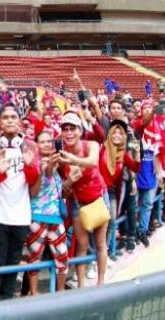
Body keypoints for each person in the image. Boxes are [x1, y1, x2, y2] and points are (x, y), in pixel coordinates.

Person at [0, 103, 40, 301]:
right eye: (5, 117)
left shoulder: (30, 147)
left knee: (14, 259)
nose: (9, 120)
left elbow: (34, 183)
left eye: (13, 117)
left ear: (19, 122)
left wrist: (28, 165)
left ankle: (8, 297)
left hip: (21, 215)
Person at [57, 112, 108, 287]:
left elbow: (93, 162)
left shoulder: (91, 144)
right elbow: (62, 192)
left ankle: (101, 283)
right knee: (82, 246)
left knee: (101, 243)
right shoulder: (60, 157)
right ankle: (81, 287)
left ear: (80, 130)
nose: (69, 132)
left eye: (73, 128)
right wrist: (70, 181)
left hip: (99, 198)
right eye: (65, 129)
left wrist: (72, 159)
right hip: (79, 203)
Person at [25, 131, 69, 295]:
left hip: (56, 218)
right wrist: (47, 167)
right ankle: (34, 294)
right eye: (42, 141)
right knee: (34, 257)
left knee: (63, 255)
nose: (46, 144)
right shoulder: (34, 164)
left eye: (49, 141)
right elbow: (37, 188)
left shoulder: (58, 162)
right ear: (36, 144)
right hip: (37, 217)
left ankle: (61, 292)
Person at [98, 120, 140, 261]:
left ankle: (107, 252)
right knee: (101, 224)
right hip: (99, 192)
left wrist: (138, 152)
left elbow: (135, 167)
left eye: (120, 133)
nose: (116, 136)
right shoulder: (103, 149)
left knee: (112, 221)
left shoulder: (123, 154)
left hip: (113, 192)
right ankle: (97, 256)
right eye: (114, 133)